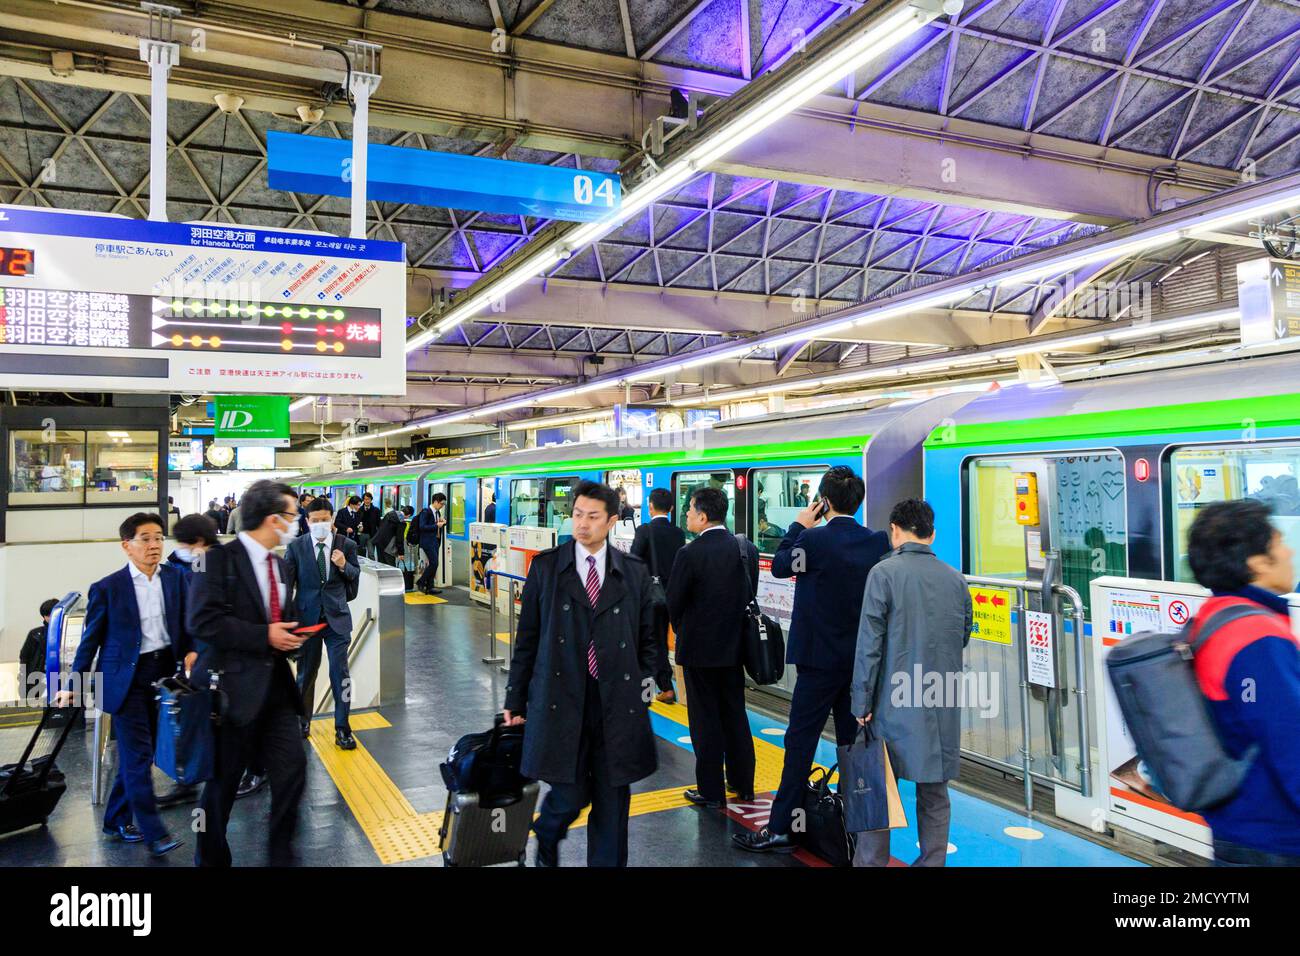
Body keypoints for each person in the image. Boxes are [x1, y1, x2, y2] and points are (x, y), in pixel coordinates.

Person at [734, 466, 890, 853]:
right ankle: (857, 833)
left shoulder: (814, 541)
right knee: (855, 745)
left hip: (818, 662)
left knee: (800, 742)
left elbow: (784, 564)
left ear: (825, 502)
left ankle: (782, 827)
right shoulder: (876, 543)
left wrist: (799, 526)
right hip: (859, 664)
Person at [502, 480, 657, 867]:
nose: (582, 524)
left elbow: (647, 638)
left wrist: (651, 681)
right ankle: (549, 829)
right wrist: (514, 698)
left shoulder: (633, 572)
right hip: (562, 699)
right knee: (569, 793)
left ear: (612, 522)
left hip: (617, 704)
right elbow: (528, 639)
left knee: (612, 802)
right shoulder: (549, 567)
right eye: (577, 515)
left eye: (592, 517)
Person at [188, 479, 308, 867]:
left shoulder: (279, 564)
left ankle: (280, 856)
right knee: (220, 790)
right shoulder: (217, 560)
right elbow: (203, 621)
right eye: (293, 515)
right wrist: (264, 635)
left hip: (276, 693)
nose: (296, 522)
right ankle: (211, 860)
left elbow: (281, 617)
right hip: (230, 694)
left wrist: (292, 635)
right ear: (274, 519)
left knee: (292, 773)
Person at [849, 498, 971, 867]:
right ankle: (932, 862)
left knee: (877, 787)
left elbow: (869, 644)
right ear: (932, 534)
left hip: (891, 700)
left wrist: (861, 703)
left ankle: (871, 863)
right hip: (940, 701)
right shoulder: (955, 578)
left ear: (895, 531)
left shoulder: (883, 574)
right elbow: (962, 634)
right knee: (935, 792)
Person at [60, 513, 188, 857]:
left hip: (163, 676)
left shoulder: (176, 578)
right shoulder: (108, 588)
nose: (154, 545)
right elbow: (90, 641)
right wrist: (73, 683)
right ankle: (154, 832)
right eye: (145, 539)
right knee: (139, 754)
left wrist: (193, 654)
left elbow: (186, 625)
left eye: (159, 537)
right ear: (126, 546)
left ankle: (115, 819)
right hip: (123, 680)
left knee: (137, 757)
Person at [1183, 499, 1300, 866]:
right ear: (1256, 561)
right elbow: (1289, 741)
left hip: (1235, 823)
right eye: (1279, 542)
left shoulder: (1211, 618)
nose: (1289, 551)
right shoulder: (1257, 636)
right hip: (1272, 834)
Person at [666, 486, 758, 808]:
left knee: (705, 721)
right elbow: (749, 595)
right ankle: (744, 783)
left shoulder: (689, 554)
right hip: (735, 650)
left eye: (690, 510)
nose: (687, 515)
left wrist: (684, 631)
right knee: (735, 714)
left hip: (699, 652)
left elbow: (673, 602)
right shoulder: (744, 549)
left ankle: (711, 790)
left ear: (703, 516)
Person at [158, 512, 221, 809]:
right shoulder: (177, 566)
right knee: (194, 718)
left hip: (213, 658)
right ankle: (189, 777)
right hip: (191, 657)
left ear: (198, 541)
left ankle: (251, 771)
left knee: (220, 721)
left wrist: (197, 648)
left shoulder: (217, 564)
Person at [285, 496, 359, 749]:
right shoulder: (296, 547)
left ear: (332, 520)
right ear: (307, 521)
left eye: (324, 520)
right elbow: (287, 585)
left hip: (337, 618)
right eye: (315, 521)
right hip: (307, 620)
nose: (320, 524)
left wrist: (343, 565)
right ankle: (302, 721)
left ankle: (343, 728)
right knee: (306, 674)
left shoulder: (346, 545)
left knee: (341, 674)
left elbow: (354, 582)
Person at [630, 487, 686, 704]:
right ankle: (667, 686)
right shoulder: (679, 533)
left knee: (651, 641)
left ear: (650, 506)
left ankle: (660, 688)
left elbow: (634, 561)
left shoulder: (644, 531)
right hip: (673, 594)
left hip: (650, 596)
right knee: (664, 639)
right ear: (671, 508)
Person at [19, 598, 59, 704]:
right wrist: (24, 680)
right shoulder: (35, 634)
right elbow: (24, 657)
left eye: (53, 614)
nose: (50, 618)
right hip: (37, 677)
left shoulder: (65, 633)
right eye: (47, 615)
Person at [414, 493, 447, 594]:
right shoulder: (426, 512)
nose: (442, 506)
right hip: (427, 541)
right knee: (434, 563)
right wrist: (436, 525)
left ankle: (430, 586)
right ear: (435, 502)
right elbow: (422, 527)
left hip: (435, 541)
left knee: (435, 564)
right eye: (441, 503)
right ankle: (421, 581)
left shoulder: (437, 513)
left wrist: (441, 522)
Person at [371, 502, 406, 568]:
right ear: (408, 515)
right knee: (390, 567)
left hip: (379, 541)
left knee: (381, 565)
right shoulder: (401, 521)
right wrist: (401, 552)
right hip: (389, 546)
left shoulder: (389, 514)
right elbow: (400, 538)